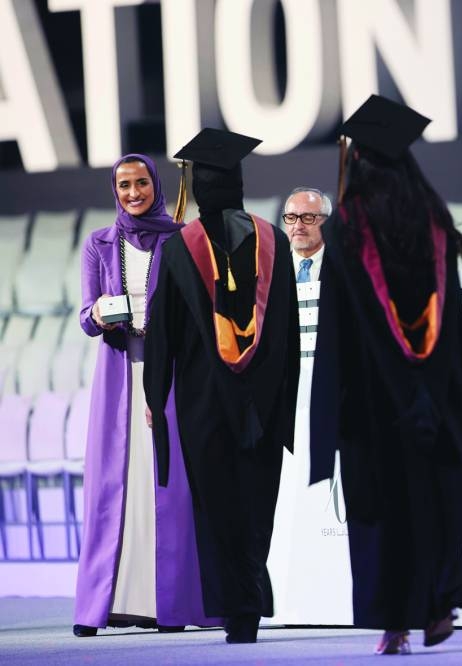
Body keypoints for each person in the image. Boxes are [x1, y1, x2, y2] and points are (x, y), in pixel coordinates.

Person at [310, 95, 462, 655]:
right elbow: (453, 325)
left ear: (359, 161)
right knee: (432, 503)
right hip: (436, 397)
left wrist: (332, 410)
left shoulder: (345, 229)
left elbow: (337, 329)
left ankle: (394, 625)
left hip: (372, 405)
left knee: (383, 513)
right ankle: (438, 605)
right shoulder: (435, 222)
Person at [143, 129, 299, 644]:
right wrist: (283, 397)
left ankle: (237, 608)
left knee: (217, 504)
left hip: (202, 399)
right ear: (238, 181)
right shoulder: (272, 238)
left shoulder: (178, 247)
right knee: (258, 500)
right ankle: (250, 603)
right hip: (262, 399)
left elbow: (161, 329)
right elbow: (288, 330)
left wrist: (154, 393)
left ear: (200, 186)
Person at [73, 154, 217, 637]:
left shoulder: (180, 239)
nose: (134, 193)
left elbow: (196, 313)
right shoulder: (98, 243)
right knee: (114, 488)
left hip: (167, 376)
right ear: (114, 190)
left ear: (155, 184)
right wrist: (100, 314)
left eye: (141, 183)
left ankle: (166, 604)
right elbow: (85, 316)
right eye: (124, 185)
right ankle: (105, 604)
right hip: (118, 380)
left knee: (167, 487)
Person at [283, 187, 330, 283]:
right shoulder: (274, 269)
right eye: (291, 218)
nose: (298, 226)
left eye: (308, 218)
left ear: (326, 222)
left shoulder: (343, 268)